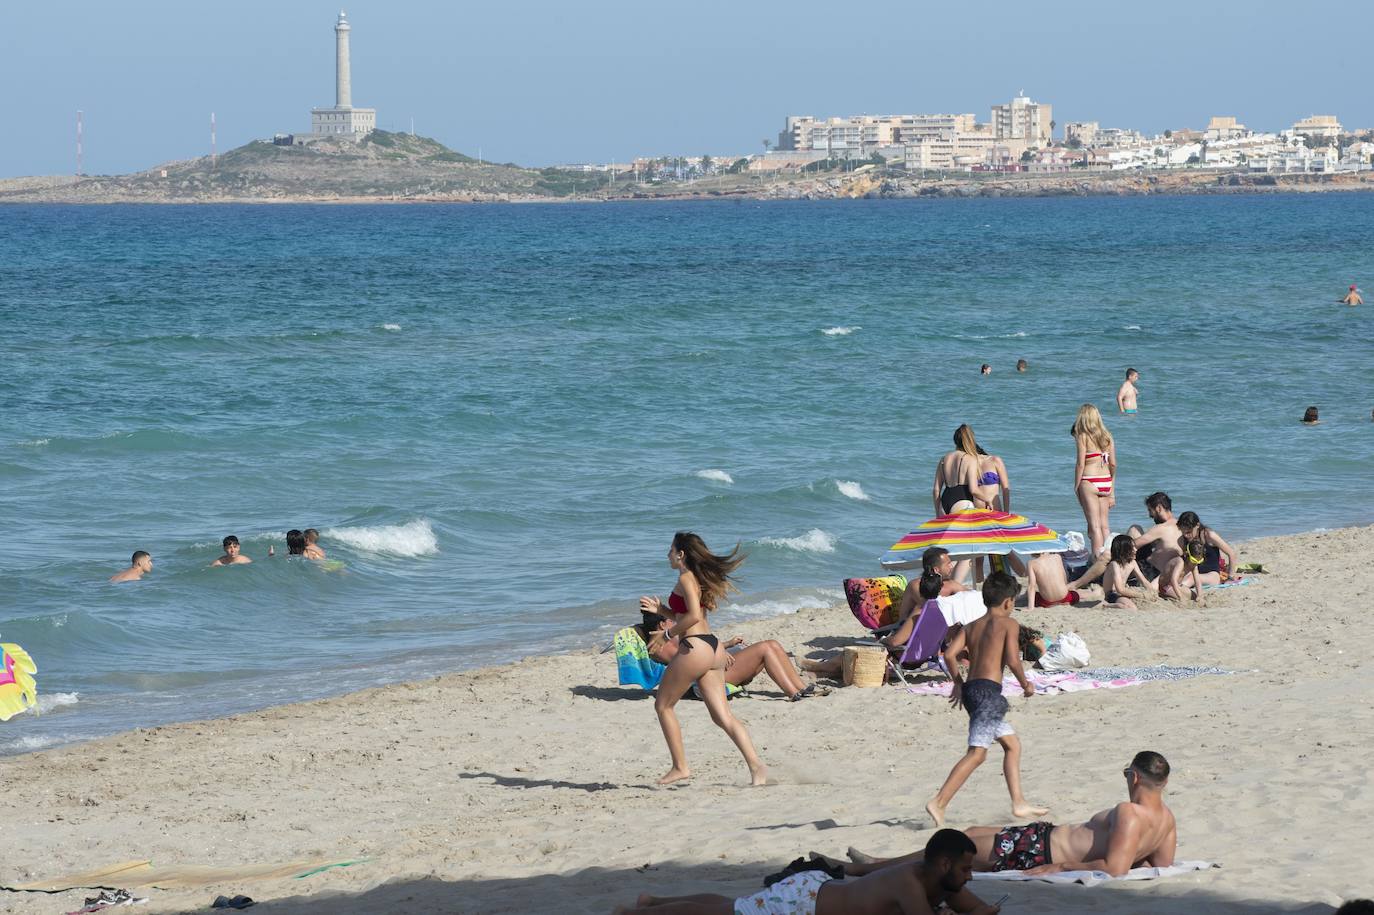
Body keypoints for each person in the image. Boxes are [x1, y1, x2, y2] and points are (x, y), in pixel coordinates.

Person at [849, 752, 1176, 879]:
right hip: (1039, 839)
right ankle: (877, 861)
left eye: (1125, 774)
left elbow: (1115, 868)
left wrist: (1060, 866)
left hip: (1039, 850)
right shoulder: (1167, 820)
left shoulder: (1129, 812)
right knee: (973, 831)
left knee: (955, 847)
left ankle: (863, 869)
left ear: (1134, 777)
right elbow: (1158, 865)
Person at [615, 828, 1000, 915]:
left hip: (818, 890)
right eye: (965, 869)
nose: (970, 876)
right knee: (730, 913)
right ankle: (639, 913)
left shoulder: (943, 881)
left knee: (738, 905)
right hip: (803, 902)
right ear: (945, 864)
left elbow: (984, 911)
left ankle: (654, 899)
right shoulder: (909, 881)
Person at [639, 532, 767, 786]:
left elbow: (694, 617)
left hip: (695, 647)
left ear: (681, 554)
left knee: (663, 706)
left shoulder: (686, 577)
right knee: (723, 717)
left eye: (670, 550)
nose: (667, 555)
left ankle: (680, 767)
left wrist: (665, 634)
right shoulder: (695, 579)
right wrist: (661, 611)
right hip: (712, 647)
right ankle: (757, 768)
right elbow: (685, 614)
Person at [925, 572, 1048, 828]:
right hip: (989, 695)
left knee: (1012, 745)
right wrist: (1026, 684)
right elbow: (1014, 660)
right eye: (1014, 601)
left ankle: (1019, 803)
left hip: (972, 690)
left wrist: (958, 683)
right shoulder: (1009, 624)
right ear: (1008, 602)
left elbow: (949, 655)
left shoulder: (971, 625)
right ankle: (939, 801)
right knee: (977, 754)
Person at [649, 627, 825, 701]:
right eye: (670, 620)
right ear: (663, 623)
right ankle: (793, 693)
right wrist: (718, 653)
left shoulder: (671, 638)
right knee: (765, 648)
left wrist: (726, 645)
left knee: (773, 644)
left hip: (713, 668)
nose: (674, 622)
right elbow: (689, 661)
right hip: (707, 679)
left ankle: (802, 688)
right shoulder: (663, 644)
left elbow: (696, 651)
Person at [1071, 404, 1116, 557]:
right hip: (1105, 482)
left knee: (1094, 526)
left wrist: (1076, 486)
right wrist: (1112, 492)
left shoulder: (1083, 436)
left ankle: (1098, 560)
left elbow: (1080, 464)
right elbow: (1113, 464)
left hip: (1089, 480)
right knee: (1104, 526)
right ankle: (1109, 558)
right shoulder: (1108, 436)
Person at [1165, 512, 1240, 602]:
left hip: (1212, 574)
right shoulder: (1181, 540)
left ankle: (1173, 592)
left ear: (1197, 525)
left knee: (1190, 578)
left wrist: (1230, 577)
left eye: (1188, 532)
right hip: (1194, 571)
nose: (1186, 535)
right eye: (1183, 532)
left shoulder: (1209, 535)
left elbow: (1231, 554)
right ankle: (1174, 589)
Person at [894, 547, 968, 625]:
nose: (951, 567)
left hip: (934, 625)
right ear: (936, 570)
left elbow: (973, 595)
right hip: (908, 628)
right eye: (948, 564)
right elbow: (932, 610)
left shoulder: (950, 584)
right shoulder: (917, 586)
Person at [934, 426, 998, 515]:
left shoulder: (943, 459)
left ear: (955, 440)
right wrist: (987, 500)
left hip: (944, 502)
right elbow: (973, 490)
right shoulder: (970, 459)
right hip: (962, 501)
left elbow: (936, 490)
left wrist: (938, 512)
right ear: (970, 440)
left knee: (948, 529)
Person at [1099, 535, 1157, 609]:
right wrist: (1142, 595)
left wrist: (1152, 592)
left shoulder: (1132, 563)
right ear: (1125, 550)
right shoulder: (1114, 564)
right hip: (1112, 594)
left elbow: (1143, 581)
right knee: (1132, 608)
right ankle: (1106, 605)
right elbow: (1119, 589)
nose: (1136, 550)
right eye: (1132, 548)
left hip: (1124, 592)